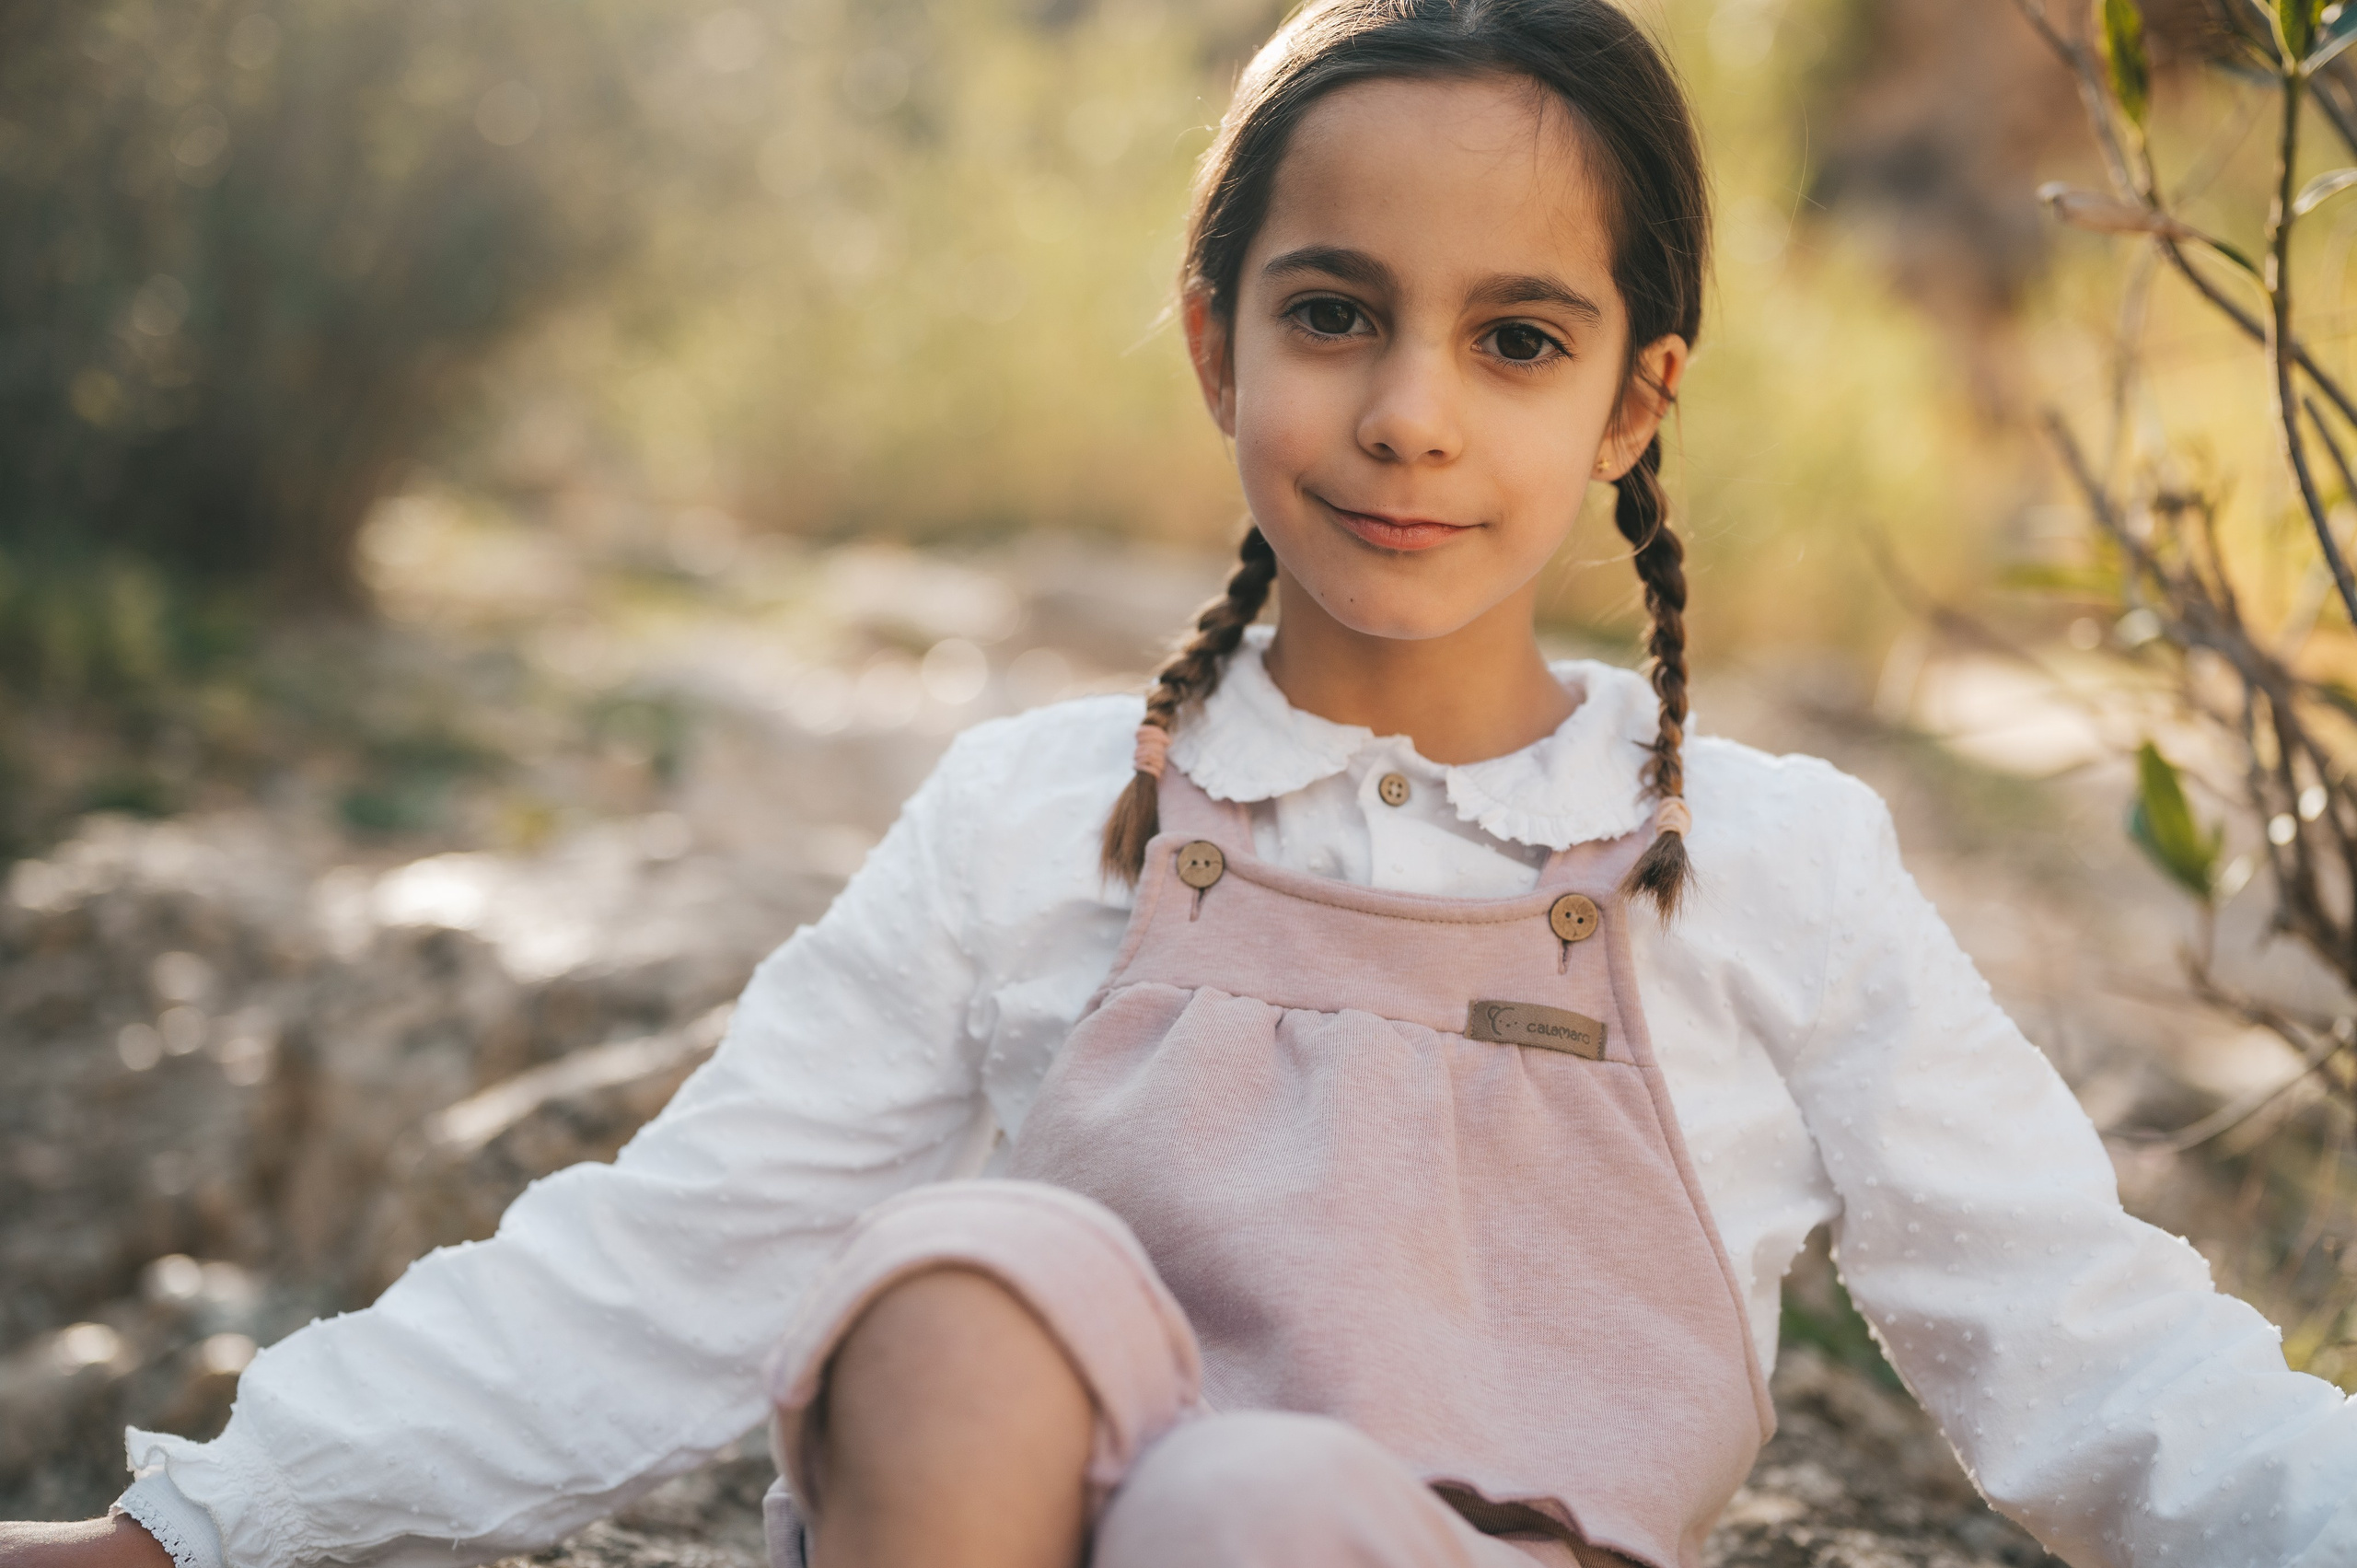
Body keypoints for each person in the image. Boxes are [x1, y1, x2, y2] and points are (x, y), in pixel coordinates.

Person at [8, 3, 2357, 1566]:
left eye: (1509, 340)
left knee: (1241, 1505)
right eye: (1333, 311)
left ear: (1632, 401)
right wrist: (188, 1528)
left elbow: (2093, 1348)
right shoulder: (1042, 817)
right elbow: (667, 1254)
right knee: (954, 1278)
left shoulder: (1762, 868)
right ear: (1216, 331)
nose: (1407, 412)